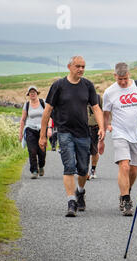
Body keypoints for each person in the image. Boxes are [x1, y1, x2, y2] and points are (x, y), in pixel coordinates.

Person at [39, 55, 105, 217]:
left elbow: (96, 108)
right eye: (78, 66)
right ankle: (71, 202)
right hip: (64, 132)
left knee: (83, 170)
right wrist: (43, 136)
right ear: (69, 67)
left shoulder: (87, 85)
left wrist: (102, 127)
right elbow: (47, 111)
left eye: (83, 66)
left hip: (83, 133)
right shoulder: (59, 86)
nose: (81, 69)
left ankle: (80, 191)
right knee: (69, 166)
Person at [99, 62, 137, 216]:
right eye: (120, 79)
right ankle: (126, 199)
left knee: (133, 170)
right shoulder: (109, 92)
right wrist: (102, 136)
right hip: (119, 133)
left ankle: (125, 191)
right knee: (124, 166)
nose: (122, 82)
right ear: (115, 76)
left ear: (129, 75)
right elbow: (105, 114)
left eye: (125, 79)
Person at [19, 85, 51, 179]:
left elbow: (49, 116)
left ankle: (41, 166)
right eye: (30, 92)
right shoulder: (27, 105)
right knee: (32, 151)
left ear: (37, 93)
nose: (32, 94)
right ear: (28, 94)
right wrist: (20, 133)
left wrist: (49, 128)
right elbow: (23, 120)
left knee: (42, 152)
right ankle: (34, 170)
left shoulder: (43, 102)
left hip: (42, 130)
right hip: (30, 129)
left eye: (34, 92)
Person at [87, 94, 103, 180]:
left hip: (95, 126)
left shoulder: (97, 97)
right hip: (82, 127)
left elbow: (102, 111)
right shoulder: (78, 95)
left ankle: (93, 169)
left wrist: (104, 126)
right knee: (83, 149)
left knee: (94, 150)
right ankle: (84, 170)